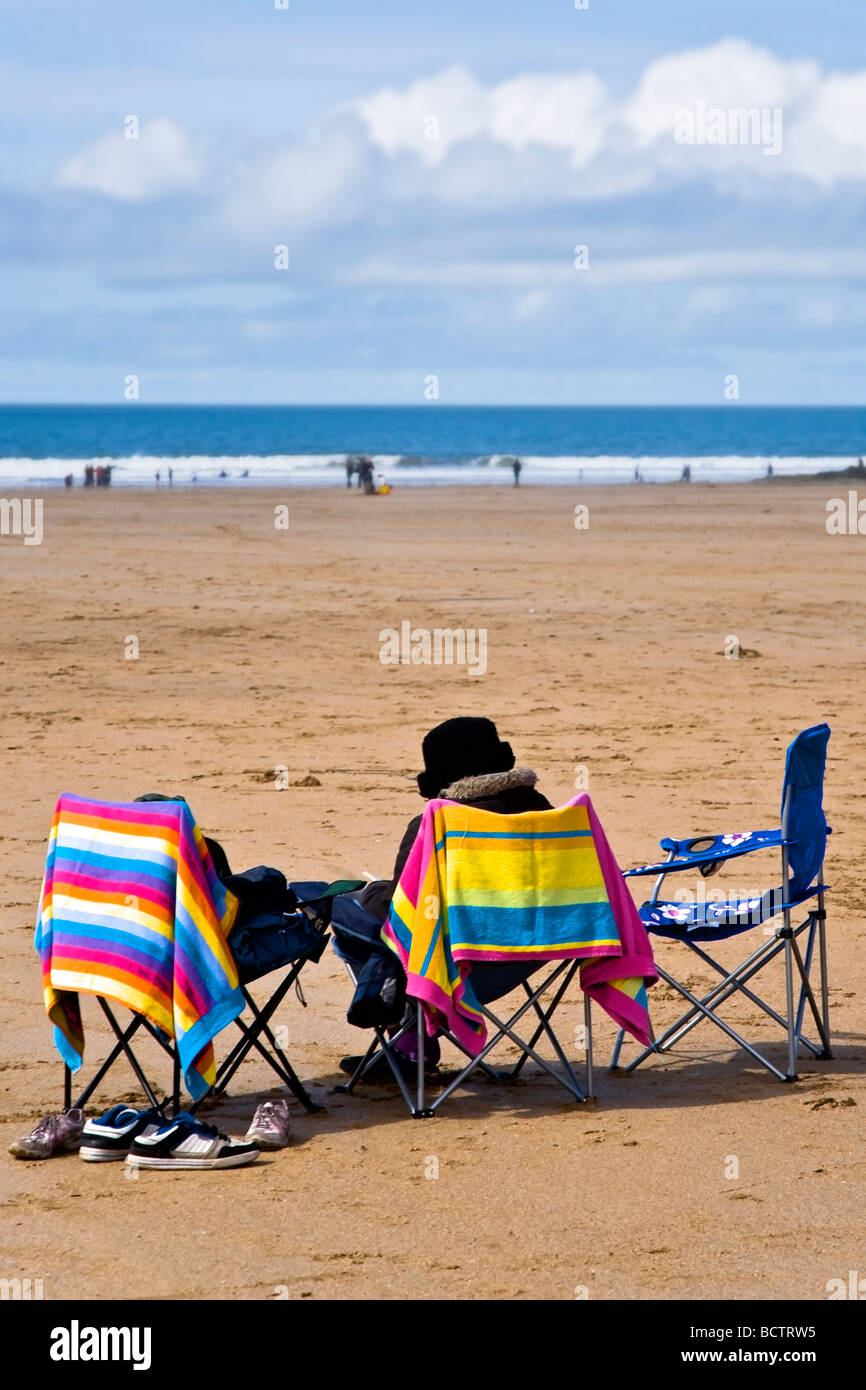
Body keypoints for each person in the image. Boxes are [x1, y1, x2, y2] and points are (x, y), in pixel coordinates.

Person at [340, 717, 553, 1080]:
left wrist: (370, 894)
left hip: (456, 968)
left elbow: (404, 906)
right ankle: (413, 1036)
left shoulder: (437, 823)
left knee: (352, 913)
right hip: (538, 950)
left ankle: (413, 1041)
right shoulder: (549, 815)